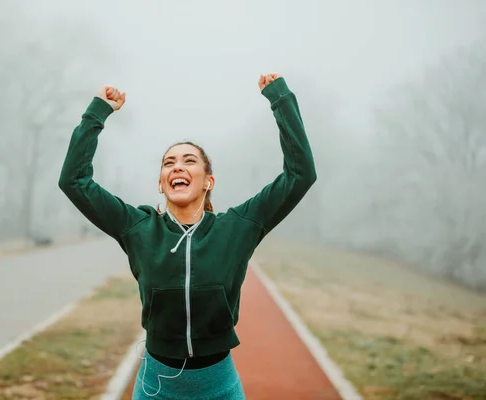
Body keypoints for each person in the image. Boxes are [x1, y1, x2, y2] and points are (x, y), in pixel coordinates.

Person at [58, 73, 316, 399]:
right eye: (169, 163)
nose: (177, 167)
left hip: (219, 386)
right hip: (157, 386)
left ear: (208, 181)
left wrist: (280, 100)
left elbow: (300, 174)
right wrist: (98, 112)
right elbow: (74, 181)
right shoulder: (138, 227)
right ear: (161, 183)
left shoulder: (237, 227)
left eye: (189, 161)